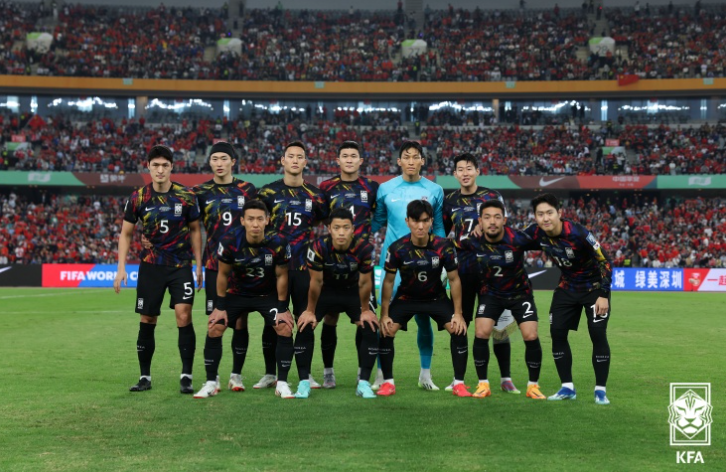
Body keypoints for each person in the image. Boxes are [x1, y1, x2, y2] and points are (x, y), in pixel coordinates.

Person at [114, 144, 203, 394]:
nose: (160, 170)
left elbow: (195, 230)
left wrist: (198, 264)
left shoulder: (186, 196)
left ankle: (186, 376)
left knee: (184, 315)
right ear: (148, 167)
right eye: (156, 165)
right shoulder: (138, 197)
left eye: (165, 165)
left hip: (180, 266)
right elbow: (126, 233)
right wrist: (121, 267)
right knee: (147, 318)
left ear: (172, 167)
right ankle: (145, 377)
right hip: (151, 267)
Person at [193, 200, 297, 399]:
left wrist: (283, 308)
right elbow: (222, 275)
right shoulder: (230, 241)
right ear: (242, 221)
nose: (255, 224)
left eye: (259, 219)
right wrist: (220, 307)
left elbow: (282, 275)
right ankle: (211, 383)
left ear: (267, 220)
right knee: (215, 327)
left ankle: (282, 383)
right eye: (250, 219)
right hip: (236, 293)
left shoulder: (278, 242)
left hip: (266, 295)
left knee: (284, 326)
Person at [524, 193, 613, 405]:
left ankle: (600, 390)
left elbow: (605, 261)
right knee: (557, 333)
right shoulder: (535, 232)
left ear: (560, 213)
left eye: (549, 213)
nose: (545, 218)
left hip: (593, 289)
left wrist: (603, 294)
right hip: (567, 288)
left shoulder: (578, 233)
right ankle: (567, 387)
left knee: (597, 334)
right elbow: (510, 240)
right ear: (535, 217)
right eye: (540, 214)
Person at [371, 141, 445, 391]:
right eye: (407, 157)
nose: (411, 161)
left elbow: (439, 229)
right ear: (399, 161)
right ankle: (381, 375)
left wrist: (442, 260)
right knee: (385, 318)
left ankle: (425, 375)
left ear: (422, 161)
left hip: (424, 265)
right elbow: (376, 223)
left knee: (424, 319)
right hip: (392, 266)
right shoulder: (385, 189)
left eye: (416, 157)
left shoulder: (435, 190)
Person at [377, 200, 469, 397]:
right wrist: (384, 314)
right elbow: (388, 282)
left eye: (425, 221)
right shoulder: (397, 248)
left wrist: (458, 314)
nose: (420, 226)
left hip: (436, 298)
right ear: (407, 221)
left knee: (459, 330)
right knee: (385, 331)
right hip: (406, 298)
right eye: (415, 221)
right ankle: (388, 383)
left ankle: (459, 383)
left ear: (431, 221)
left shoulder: (444, 246)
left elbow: (454, 280)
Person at [443, 153, 518, 394]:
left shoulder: (491, 196)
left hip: (491, 270)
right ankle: (458, 379)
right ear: (454, 174)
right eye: (460, 169)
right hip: (462, 270)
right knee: (460, 323)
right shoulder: (449, 200)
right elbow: (443, 234)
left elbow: (504, 229)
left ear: (477, 171)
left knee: (499, 325)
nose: (465, 173)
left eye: (469, 168)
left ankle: (506, 378)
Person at [258, 141, 328, 389]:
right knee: (273, 321)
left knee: (305, 321)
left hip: (303, 269)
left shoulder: (316, 195)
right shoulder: (267, 193)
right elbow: (256, 223)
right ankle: (271, 374)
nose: (295, 160)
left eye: (300, 156)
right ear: (283, 160)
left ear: (305, 162)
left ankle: (305, 375)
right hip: (274, 269)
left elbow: (325, 223)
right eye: (291, 156)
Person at [461, 200, 546, 400]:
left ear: (504, 220)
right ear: (480, 221)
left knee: (530, 335)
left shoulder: (517, 238)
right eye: (487, 217)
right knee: (481, 332)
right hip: (491, 294)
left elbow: (545, 238)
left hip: (520, 294)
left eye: (497, 217)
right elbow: (448, 249)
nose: (492, 222)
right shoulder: (471, 242)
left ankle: (533, 386)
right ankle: (483, 384)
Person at [293, 208, 380, 399]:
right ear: (329, 229)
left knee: (370, 326)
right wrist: (309, 311)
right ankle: (304, 383)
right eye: (337, 227)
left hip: (352, 291)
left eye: (346, 228)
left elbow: (365, 283)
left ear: (353, 229)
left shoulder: (364, 248)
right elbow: (316, 282)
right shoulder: (318, 246)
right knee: (305, 324)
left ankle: (363, 383)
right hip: (325, 291)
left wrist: (366, 310)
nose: (341, 232)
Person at [192, 141, 257, 392]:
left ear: (233, 162)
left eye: (224, 159)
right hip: (213, 266)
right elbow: (190, 227)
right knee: (215, 321)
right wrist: (197, 265)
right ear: (210, 162)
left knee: (240, 322)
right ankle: (213, 379)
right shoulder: (201, 191)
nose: (219, 163)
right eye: (215, 159)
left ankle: (236, 376)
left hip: (242, 267)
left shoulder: (247, 190)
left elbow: (258, 222)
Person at [318, 141, 379, 388]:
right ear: (338, 160)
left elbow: (378, 215)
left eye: (354, 156)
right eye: (345, 156)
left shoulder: (371, 187)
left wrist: (366, 237)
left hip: (361, 262)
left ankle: (362, 373)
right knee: (330, 317)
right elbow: (323, 218)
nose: (350, 159)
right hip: (333, 262)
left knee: (365, 319)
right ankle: (328, 372)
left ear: (361, 160)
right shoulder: (326, 187)